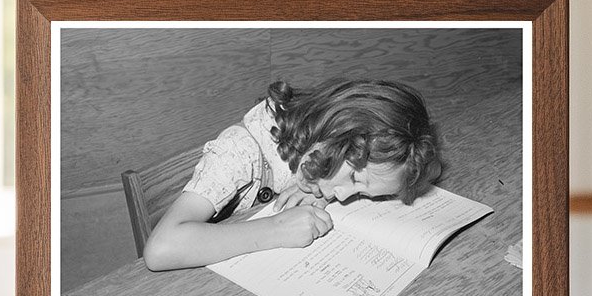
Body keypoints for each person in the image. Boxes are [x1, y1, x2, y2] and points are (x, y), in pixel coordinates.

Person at [142, 79, 442, 271]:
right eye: (355, 182)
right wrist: (276, 230)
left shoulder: (331, 140)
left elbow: (432, 169)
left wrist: (317, 189)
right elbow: (159, 250)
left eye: (361, 194)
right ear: (335, 138)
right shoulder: (238, 152)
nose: (344, 197)